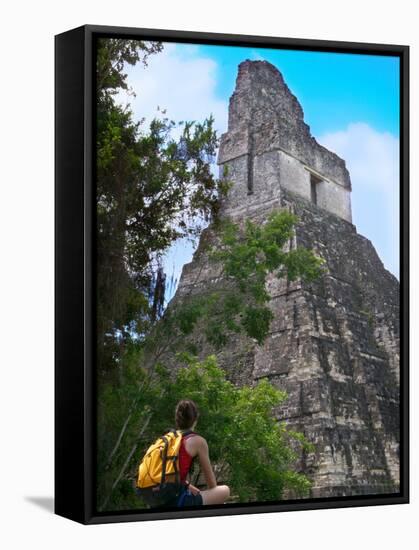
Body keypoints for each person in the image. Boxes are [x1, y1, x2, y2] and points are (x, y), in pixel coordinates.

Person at [174, 399, 230, 507]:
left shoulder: (167, 439)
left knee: (195, 492)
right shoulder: (198, 441)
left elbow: (169, 478)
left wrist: (190, 487)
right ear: (195, 420)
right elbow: (212, 485)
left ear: (177, 420)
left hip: (152, 494)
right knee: (224, 490)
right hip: (174, 500)